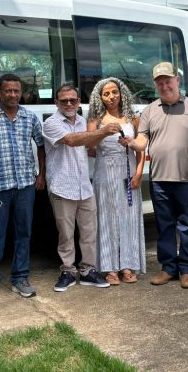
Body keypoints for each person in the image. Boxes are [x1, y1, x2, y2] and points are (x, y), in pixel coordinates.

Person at [124, 62, 188, 289]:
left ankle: (187, 269)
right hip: (159, 179)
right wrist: (131, 142)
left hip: (185, 178)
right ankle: (168, 268)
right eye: (160, 83)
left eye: (168, 81)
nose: (164, 86)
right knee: (164, 225)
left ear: (177, 80)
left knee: (185, 224)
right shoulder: (150, 110)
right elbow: (142, 141)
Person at [44, 84, 119, 291]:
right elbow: (71, 140)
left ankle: (87, 271)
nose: (68, 103)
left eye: (73, 100)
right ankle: (68, 271)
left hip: (84, 186)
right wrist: (103, 131)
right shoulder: (51, 123)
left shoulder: (83, 122)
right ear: (56, 103)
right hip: (62, 186)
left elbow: (89, 145)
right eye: (64, 100)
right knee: (66, 234)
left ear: (78, 102)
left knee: (89, 233)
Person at [0, 73, 46, 303]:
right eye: (8, 90)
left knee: (23, 234)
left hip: (25, 186)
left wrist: (41, 174)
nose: (13, 95)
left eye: (16, 91)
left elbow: (41, 146)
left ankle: (20, 278)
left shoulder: (29, 117)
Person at [87, 78, 146, 285]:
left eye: (114, 92)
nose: (111, 97)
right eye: (106, 94)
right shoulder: (95, 118)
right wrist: (103, 132)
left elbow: (141, 148)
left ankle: (128, 266)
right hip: (105, 172)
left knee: (128, 218)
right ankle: (110, 267)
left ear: (121, 93)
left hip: (128, 172)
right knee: (107, 219)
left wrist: (138, 174)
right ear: (100, 97)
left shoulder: (132, 118)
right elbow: (89, 146)